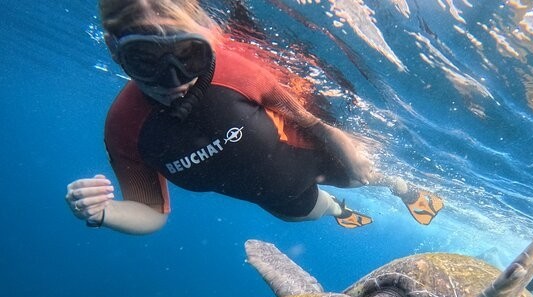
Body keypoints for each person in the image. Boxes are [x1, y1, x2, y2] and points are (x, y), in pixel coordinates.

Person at [64, 0, 443, 234]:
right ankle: (339, 210)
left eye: (189, 56)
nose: (174, 81)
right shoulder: (124, 129)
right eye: (145, 60)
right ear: (115, 51)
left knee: (367, 175)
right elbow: (150, 213)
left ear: (207, 38)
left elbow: (311, 122)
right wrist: (104, 212)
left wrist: (356, 158)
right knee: (316, 210)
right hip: (281, 201)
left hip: (319, 158)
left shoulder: (237, 71)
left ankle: (402, 188)